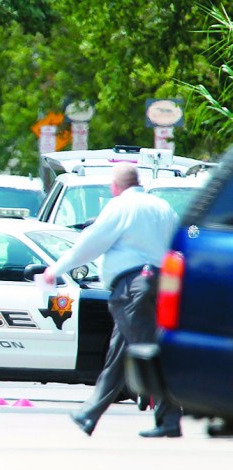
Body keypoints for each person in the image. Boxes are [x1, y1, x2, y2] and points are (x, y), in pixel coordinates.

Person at [41, 163, 183, 438]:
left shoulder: (120, 207)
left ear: (115, 187)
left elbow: (91, 243)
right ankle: (89, 414)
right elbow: (179, 244)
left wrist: (55, 270)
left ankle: (170, 419)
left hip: (132, 288)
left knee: (147, 353)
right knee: (118, 355)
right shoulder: (163, 208)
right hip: (160, 283)